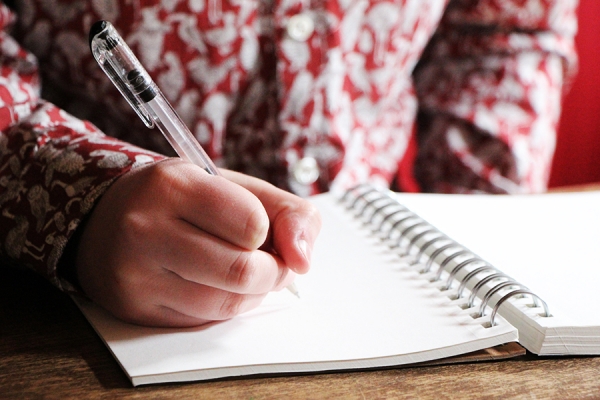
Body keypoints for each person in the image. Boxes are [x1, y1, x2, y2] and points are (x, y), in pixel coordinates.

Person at [0, 0, 578, 326]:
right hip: (59, 310)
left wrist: (478, 240)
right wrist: (82, 193)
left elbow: (506, 34)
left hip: (386, 273)